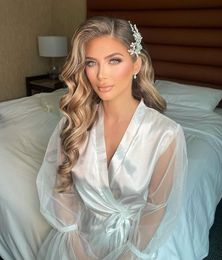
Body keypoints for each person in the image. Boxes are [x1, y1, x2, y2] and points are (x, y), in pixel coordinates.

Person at [36, 16, 188, 260]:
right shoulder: (74, 123)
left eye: (114, 61)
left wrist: (129, 254)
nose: (101, 75)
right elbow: (61, 189)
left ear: (136, 64)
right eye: (91, 63)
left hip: (135, 245)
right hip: (78, 237)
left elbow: (155, 208)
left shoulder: (165, 134)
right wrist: (77, 248)